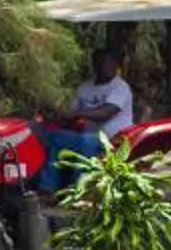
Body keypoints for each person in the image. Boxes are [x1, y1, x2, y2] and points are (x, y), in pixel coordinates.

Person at [40, 46, 136, 186]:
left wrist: (76, 114)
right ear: (94, 64)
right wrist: (54, 115)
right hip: (88, 136)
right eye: (99, 62)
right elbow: (70, 116)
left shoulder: (120, 87)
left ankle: (80, 189)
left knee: (85, 141)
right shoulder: (85, 87)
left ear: (115, 65)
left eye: (107, 62)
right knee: (54, 137)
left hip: (113, 140)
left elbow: (105, 113)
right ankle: (48, 188)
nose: (103, 66)